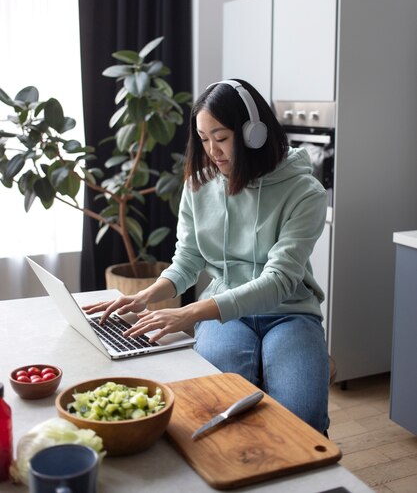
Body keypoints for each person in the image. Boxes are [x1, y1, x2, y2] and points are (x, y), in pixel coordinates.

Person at [83, 79, 330, 434]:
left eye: (221, 137)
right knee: (216, 404)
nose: (212, 150)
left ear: (253, 134)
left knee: (303, 423)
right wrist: (147, 295)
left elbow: (279, 281)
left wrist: (189, 313)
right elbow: (188, 258)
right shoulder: (200, 184)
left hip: (289, 312)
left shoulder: (305, 192)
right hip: (225, 316)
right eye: (203, 139)